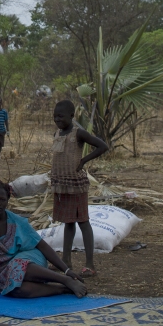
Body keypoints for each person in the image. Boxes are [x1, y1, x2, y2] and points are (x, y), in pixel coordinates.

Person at [0, 180, 86, 299]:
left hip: (31, 260)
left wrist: (66, 270)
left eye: (2, 199)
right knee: (15, 290)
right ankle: (62, 289)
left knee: (17, 266)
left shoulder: (18, 222)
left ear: (8, 200)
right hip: (4, 272)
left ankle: (65, 280)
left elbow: (42, 246)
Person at [50, 100, 108, 277]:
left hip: (76, 185)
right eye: (55, 116)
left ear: (72, 116)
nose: (57, 119)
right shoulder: (58, 133)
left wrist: (83, 161)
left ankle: (89, 264)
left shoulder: (78, 133)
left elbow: (102, 146)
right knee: (68, 222)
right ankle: (66, 260)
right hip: (62, 185)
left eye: (61, 116)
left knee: (83, 221)